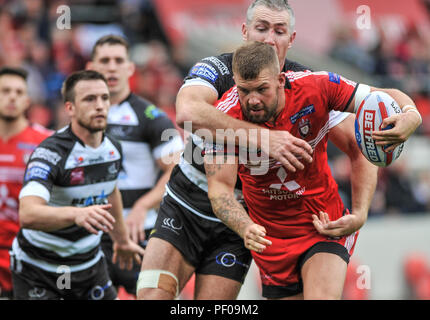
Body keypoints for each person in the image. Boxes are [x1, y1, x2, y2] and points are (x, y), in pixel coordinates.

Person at [137, 0, 380, 300]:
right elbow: (187, 113)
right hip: (189, 201)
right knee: (152, 296)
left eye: (279, 31)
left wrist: (360, 210)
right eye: (261, 28)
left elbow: (358, 144)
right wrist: (263, 139)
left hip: (243, 218)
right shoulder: (216, 68)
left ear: (292, 39)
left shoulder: (306, 84)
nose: (269, 39)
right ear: (244, 31)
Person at [204, 41, 421, 299]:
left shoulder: (318, 87)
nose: (253, 100)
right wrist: (244, 226)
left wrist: (412, 113)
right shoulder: (223, 120)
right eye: (244, 90)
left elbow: (384, 96)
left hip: (322, 225)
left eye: (262, 89)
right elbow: (220, 191)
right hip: (270, 240)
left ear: (281, 80)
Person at [9, 70, 145, 300]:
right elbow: (28, 214)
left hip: (89, 265)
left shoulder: (113, 149)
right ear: (70, 108)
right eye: (89, 99)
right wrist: (76, 214)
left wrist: (121, 241)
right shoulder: (49, 153)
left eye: (104, 97)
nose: (100, 105)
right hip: (38, 269)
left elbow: (111, 190)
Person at [86, 35, 184, 297]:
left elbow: (176, 170)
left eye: (119, 60)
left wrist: (143, 206)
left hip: (143, 232)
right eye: (104, 60)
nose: (111, 67)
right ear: (91, 67)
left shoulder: (151, 116)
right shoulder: (77, 118)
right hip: (94, 234)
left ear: (130, 68)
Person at [0, 67, 52, 299]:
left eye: (18, 92)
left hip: (31, 253)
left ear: (27, 101)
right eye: (5, 91)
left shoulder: (47, 143)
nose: (12, 97)